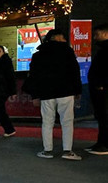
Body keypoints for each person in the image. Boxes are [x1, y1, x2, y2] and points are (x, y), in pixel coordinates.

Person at [22, 29, 82, 160]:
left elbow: (34, 76)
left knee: (47, 121)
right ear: (58, 38)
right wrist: (78, 90)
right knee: (67, 121)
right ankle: (67, 151)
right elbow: (75, 72)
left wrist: (35, 95)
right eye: (63, 37)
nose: (65, 40)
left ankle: (47, 150)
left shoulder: (39, 55)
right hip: (66, 91)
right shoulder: (68, 52)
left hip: (46, 93)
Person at [87, 24, 108, 154]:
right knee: (101, 116)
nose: (95, 38)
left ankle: (104, 144)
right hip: (100, 88)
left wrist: (101, 84)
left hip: (103, 90)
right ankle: (101, 142)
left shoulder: (105, 50)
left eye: (97, 34)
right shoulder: (102, 50)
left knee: (104, 116)